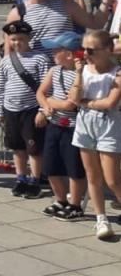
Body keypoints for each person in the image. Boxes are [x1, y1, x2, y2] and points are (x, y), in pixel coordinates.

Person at [67, 29, 121, 240]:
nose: (86, 54)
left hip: (109, 125)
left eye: (91, 50)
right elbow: (73, 98)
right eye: (84, 49)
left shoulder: (116, 73)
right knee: (93, 176)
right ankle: (101, 219)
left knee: (112, 179)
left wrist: (85, 102)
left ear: (108, 50)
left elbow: (110, 103)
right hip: (85, 123)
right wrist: (78, 74)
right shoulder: (84, 70)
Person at [35, 31, 86, 221]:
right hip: (55, 124)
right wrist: (46, 105)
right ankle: (60, 200)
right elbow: (40, 92)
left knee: (74, 167)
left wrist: (51, 102)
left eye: (57, 50)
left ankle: (75, 205)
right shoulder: (54, 71)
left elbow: (70, 104)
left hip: (73, 126)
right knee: (50, 165)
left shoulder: (81, 74)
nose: (53, 54)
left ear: (70, 54)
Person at [0, 20, 48, 198]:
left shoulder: (40, 59)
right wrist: (0, 110)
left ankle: (35, 180)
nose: (17, 43)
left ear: (29, 38)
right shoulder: (6, 61)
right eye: (13, 39)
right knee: (17, 147)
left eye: (20, 39)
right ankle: (21, 178)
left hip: (31, 110)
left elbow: (45, 88)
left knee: (33, 148)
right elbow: (1, 87)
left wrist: (43, 111)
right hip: (11, 109)